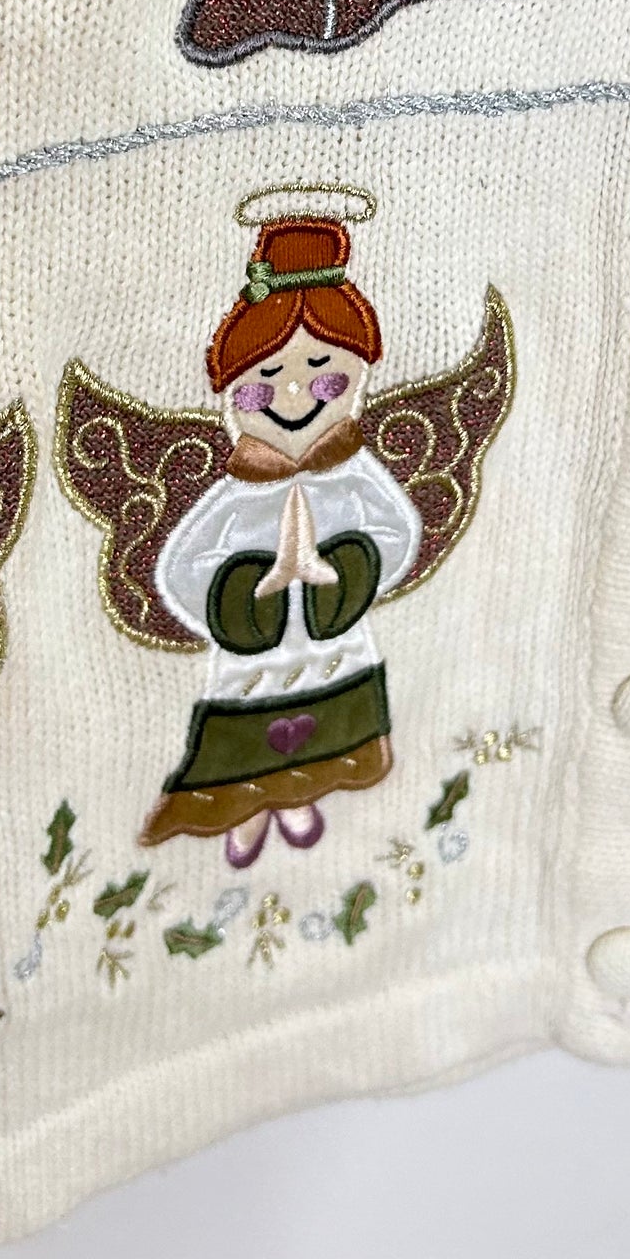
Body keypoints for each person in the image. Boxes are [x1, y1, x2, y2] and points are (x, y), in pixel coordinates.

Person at [140, 217, 424, 864]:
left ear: (358, 377)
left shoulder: (355, 478)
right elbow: (183, 568)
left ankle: (299, 796)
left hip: (333, 645)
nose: (294, 395)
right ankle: (241, 807)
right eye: (264, 381)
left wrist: (345, 570)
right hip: (253, 659)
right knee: (246, 732)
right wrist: (245, 593)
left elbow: (397, 531)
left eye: (324, 374)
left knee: (328, 730)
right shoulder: (236, 497)